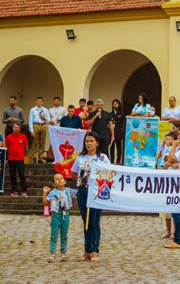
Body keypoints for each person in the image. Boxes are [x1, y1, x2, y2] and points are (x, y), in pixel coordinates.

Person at [71, 131, 110, 261]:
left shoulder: (103, 158)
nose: (89, 143)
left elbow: (109, 174)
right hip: (83, 191)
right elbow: (73, 173)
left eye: (91, 141)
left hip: (97, 192)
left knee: (94, 220)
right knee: (86, 221)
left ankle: (95, 250)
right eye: (87, 141)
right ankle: (87, 250)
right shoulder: (80, 157)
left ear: (97, 143)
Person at [42, 173, 78, 262]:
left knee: (64, 235)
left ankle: (63, 253)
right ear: (53, 183)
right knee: (54, 235)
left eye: (61, 178)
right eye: (57, 179)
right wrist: (44, 193)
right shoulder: (52, 193)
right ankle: (52, 253)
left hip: (66, 215)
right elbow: (45, 203)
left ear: (65, 181)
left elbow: (79, 193)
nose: (59, 180)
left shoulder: (68, 191)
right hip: (56, 215)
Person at [5, 123, 28, 197]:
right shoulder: (8, 137)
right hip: (11, 159)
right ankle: (14, 191)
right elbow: (7, 147)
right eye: (15, 127)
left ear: (20, 129)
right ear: (13, 128)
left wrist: (21, 153)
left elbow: (26, 147)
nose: (16, 129)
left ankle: (24, 191)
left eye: (18, 127)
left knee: (21, 174)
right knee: (12, 175)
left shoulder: (23, 136)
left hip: (20, 159)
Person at [29, 97, 51, 163]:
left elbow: (49, 120)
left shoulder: (45, 110)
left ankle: (40, 158)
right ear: (36, 102)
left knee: (42, 142)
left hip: (43, 125)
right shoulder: (33, 110)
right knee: (35, 142)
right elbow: (30, 120)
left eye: (40, 101)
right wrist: (31, 130)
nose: (39, 102)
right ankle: (34, 157)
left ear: (42, 102)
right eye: (37, 101)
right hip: (36, 125)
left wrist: (44, 118)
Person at [109, 99, 124, 164]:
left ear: (119, 104)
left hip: (118, 132)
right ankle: (112, 160)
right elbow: (110, 120)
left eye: (116, 104)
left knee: (119, 147)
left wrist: (114, 119)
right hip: (112, 132)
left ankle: (118, 161)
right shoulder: (110, 113)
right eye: (114, 104)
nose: (115, 105)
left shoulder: (121, 112)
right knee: (112, 147)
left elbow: (120, 118)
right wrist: (116, 118)